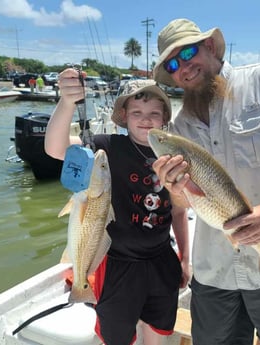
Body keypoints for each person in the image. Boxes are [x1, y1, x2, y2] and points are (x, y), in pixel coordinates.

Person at [151, 18, 260, 345]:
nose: (183, 67)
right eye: (172, 64)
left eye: (188, 52)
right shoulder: (180, 126)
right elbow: (187, 203)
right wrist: (176, 190)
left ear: (211, 46)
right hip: (215, 273)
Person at [45, 74, 190, 345]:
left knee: (157, 331)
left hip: (162, 260)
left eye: (154, 113)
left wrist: (184, 258)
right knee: (116, 336)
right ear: (123, 115)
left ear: (164, 118)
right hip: (117, 264)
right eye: (137, 112)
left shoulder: (174, 156)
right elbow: (55, 149)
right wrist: (66, 102)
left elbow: (180, 212)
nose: (145, 119)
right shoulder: (107, 147)